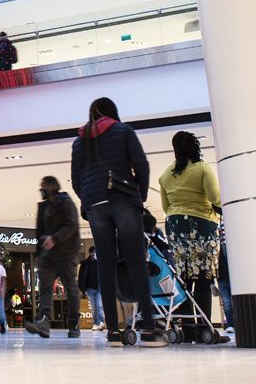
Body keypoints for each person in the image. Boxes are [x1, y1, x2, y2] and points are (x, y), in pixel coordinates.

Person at [71, 96, 167, 347]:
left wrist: (90, 198)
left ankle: (113, 332)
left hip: (95, 205)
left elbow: (76, 178)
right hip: (123, 198)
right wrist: (140, 194)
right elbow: (142, 166)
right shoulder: (123, 130)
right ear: (113, 112)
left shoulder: (80, 141)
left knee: (106, 265)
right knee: (136, 261)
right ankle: (148, 329)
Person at [158, 131, 221, 324]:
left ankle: (186, 328)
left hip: (176, 226)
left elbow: (165, 207)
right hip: (201, 224)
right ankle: (205, 328)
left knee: (183, 278)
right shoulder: (202, 169)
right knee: (203, 276)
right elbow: (215, 198)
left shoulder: (165, 175)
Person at [25, 175, 81, 339]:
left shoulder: (66, 203)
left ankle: (74, 323)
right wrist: (38, 254)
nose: (41, 191)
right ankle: (43, 322)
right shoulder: (43, 207)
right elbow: (39, 231)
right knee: (45, 288)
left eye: (43, 188)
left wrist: (55, 238)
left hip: (66, 254)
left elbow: (71, 226)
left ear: (51, 188)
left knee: (71, 289)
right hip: (47, 255)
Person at [78, 246, 104, 330]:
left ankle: (101, 322)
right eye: (94, 252)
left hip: (99, 288)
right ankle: (96, 323)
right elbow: (81, 277)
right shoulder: (85, 263)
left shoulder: (100, 262)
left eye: (96, 252)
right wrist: (82, 289)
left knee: (99, 306)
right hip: (89, 289)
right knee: (94, 308)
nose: (95, 254)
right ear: (90, 253)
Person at [217, 220, 233, 333]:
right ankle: (231, 324)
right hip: (223, 273)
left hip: (225, 272)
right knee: (227, 301)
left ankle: (232, 324)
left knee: (228, 301)